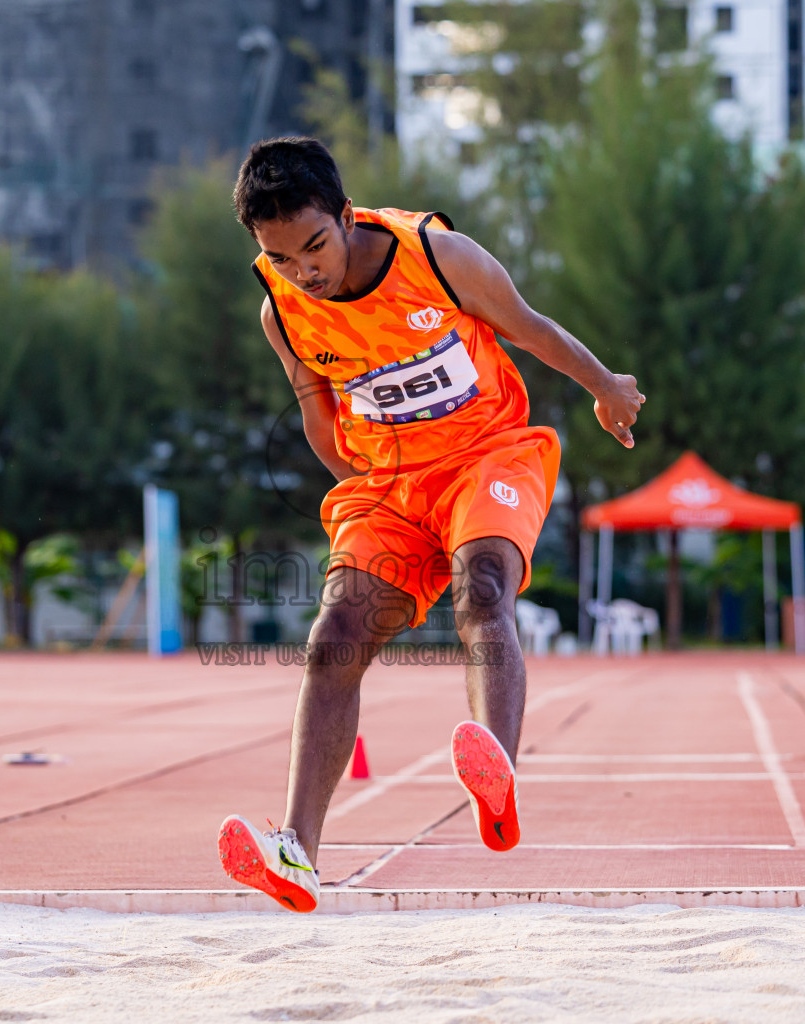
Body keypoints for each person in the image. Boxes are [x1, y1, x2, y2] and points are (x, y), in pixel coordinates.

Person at [216, 138, 644, 912]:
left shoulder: (439, 256)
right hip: (390, 484)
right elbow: (318, 416)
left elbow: (530, 326)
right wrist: (370, 494)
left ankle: (497, 774)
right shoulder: (284, 309)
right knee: (332, 640)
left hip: (490, 455)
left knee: (481, 590)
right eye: (281, 259)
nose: (305, 271)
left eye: (314, 246)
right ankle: (297, 854)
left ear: (346, 215)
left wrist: (605, 384)